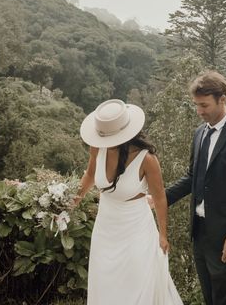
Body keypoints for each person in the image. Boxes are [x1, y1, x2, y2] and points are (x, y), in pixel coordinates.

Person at [165, 71, 226, 305]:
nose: (200, 111)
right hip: (199, 231)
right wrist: (158, 199)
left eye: (204, 105)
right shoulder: (200, 133)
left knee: (225, 299)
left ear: (222, 99)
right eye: (197, 105)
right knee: (210, 297)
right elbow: (192, 178)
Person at [72, 99, 182, 305]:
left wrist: (163, 234)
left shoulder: (147, 159)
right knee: (106, 279)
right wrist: (72, 203)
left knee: (136, 281)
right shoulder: (97, 148)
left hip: (136, 228)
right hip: (106, 226)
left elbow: (159, 197)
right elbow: (89, 175)